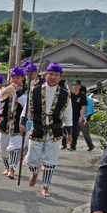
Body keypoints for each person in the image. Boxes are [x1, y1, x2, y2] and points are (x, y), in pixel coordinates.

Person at [24, 63, 72, 197]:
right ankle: (34, 173)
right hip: (37, 129)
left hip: (54, 131)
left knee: (50, 161)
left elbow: (68, 115)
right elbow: (26, 110)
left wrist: (69, 134)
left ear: (60, 77)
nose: (53, 77)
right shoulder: (35, 90)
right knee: (31, 160)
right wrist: (22, 122)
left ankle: (45, 186)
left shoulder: (65, 94)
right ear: (46, 75)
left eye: (56, 75)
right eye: (51, 74)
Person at [0, 67, 27, 179]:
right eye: (13, 77)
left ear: (23, 78)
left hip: (18, 123)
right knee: (3, 148)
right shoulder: (5, 88)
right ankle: (6, 167)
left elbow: (26, 104)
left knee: (15, 147)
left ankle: (12, 169)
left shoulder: (26, 90)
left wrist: (18, 92)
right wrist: (3, 95)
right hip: (5, 122)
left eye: (17, 78)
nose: (15, 80)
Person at [68, 80, 87, 150]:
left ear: (80, 87)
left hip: (76, 116)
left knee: (74, 131)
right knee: (67, 130)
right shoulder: (70, 94)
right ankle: (67, 144)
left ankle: (73, 145)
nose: (75, 87)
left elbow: (83, 106)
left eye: (77, 85)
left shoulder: (82, 96)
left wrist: (81, 116)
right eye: (74, 85)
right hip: (68, 115)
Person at [82, 86, 96, 151]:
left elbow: (90, 111)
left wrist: (87, 120)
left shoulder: (88, 100)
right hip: (78, 118)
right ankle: (72, 145)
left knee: (85, 133)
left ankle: (91, 145)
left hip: (85, 118)